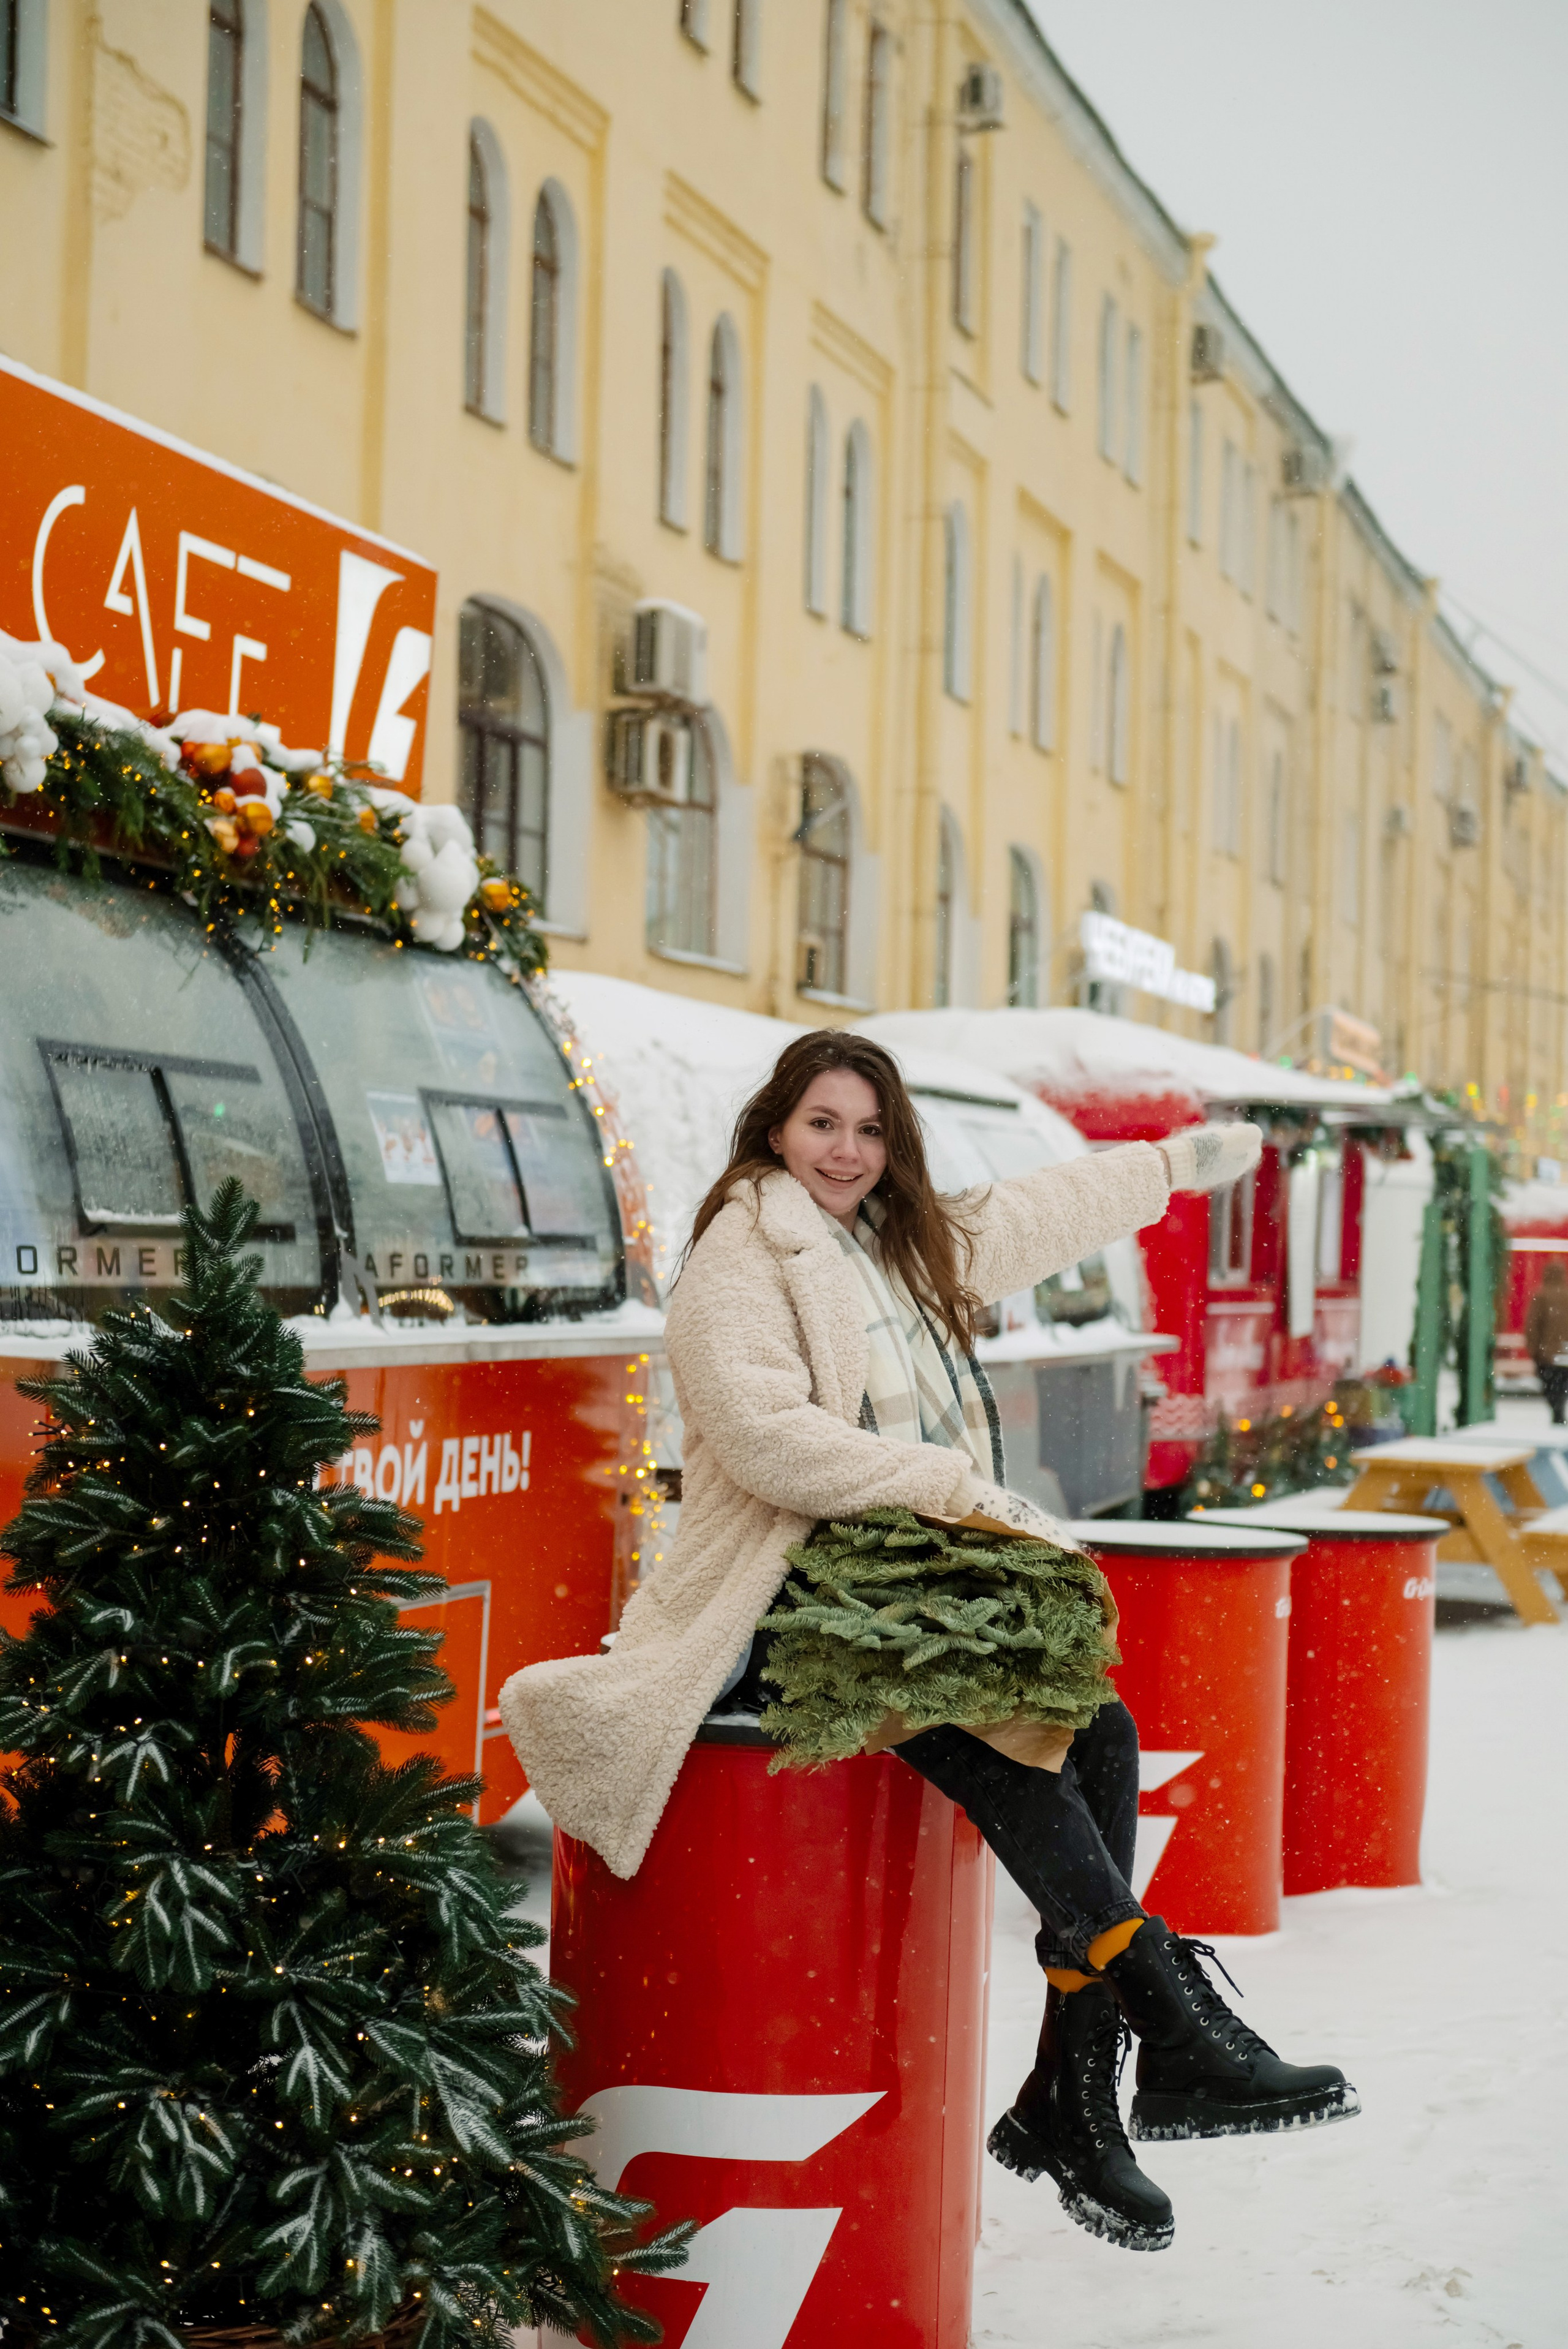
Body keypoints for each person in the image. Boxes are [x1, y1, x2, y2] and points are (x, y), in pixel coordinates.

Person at [501, 1031, 1359, 2256]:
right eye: (819, 1125)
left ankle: (1077, 2086)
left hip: (894, 1581)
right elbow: (761, 1437)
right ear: (772, 1131)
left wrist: (1168, 1165)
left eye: (866, 1129)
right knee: (1001, 1733)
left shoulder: (891, 1243)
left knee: (1096, 1730)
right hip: (771, 1597)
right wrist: (943, 1483)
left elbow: (1029, 1212)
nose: (844, 1151)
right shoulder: (740, 1252)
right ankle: (1153, 2021)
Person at [1525, 1259, 1568, 1425]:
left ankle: (1557, 1414)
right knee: (1562, 1387)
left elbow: (1532, 1326)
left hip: (1547, 1355)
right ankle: (1559, 1414)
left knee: (1550, 1388)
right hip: (1565, 1355)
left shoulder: (1541, 1296)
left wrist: (1534, 1350)